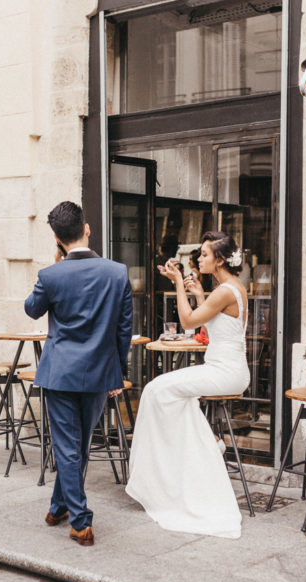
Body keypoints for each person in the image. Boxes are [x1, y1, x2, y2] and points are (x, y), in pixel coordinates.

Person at [125, 231, 249, 538]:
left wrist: (179, 283)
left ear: (220, 260)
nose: (200, 259)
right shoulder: (229, 288)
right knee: (164, 391)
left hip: (225, 371)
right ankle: (200, 448)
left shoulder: (224, 291)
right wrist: (196, 293)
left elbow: (188, 322)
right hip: (224, 368)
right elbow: (212, 321)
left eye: (205, 254)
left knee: (156, 389)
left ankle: (199, 451)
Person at [25, 201, 133, 547]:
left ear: (57, 238)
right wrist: (120, 374)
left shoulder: (50, 275)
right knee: (80, 445)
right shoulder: (117, 272)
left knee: (68, 447)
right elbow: (123, 329)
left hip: (60, 373)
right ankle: (59, 506)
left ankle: (81, 521)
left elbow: (31, 310)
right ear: (87, 228)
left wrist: (51, 271)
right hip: (100, 372)